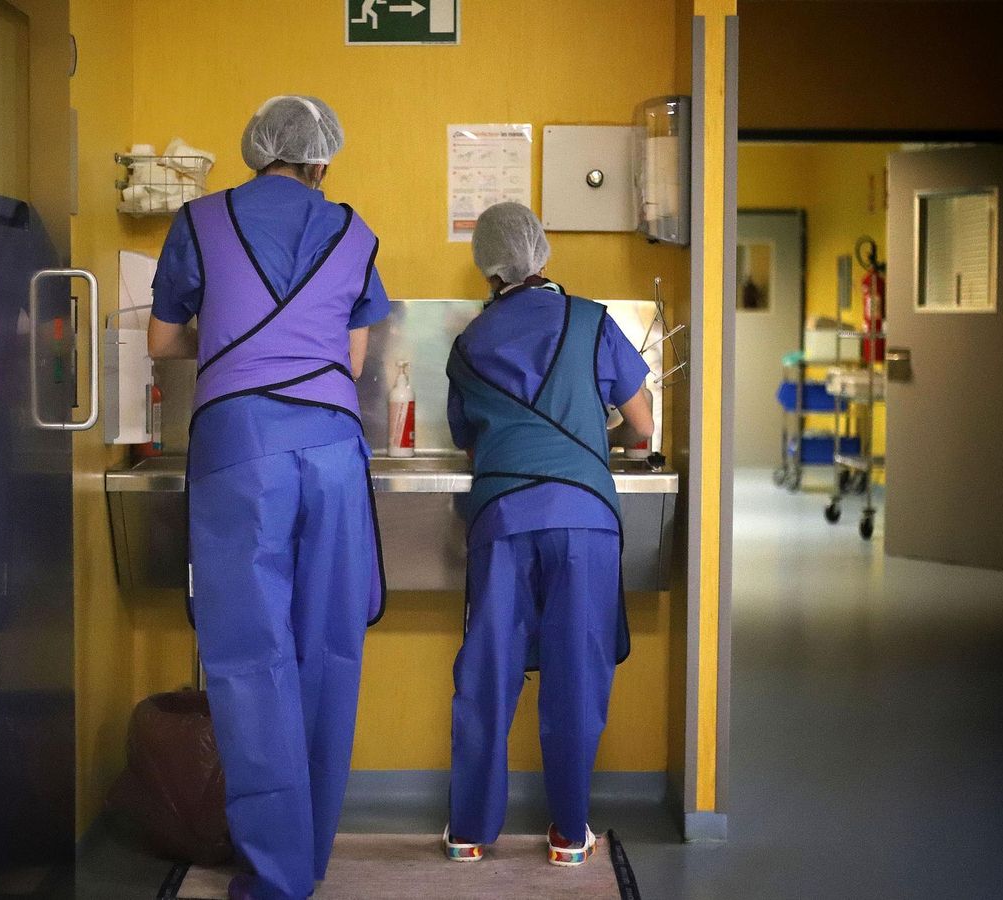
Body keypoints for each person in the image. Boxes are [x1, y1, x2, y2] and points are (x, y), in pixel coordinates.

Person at [147, 95, 389, 900]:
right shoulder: (354, 232)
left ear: (257, 149)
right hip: (333, 453)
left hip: (241, 447)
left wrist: (222, 339)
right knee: (330, 646)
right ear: (323, 159)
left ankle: (275, 874)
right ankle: (308, 854)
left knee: (252, 657)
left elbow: (161, 340)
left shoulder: (202, 220)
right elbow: (354, 361)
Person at [442, 202, 654, 867]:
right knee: (576, 674)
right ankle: (568, 835)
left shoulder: (469, 343)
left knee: (488, 671)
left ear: (487, 266)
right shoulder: (593, 321)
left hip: (503, 519)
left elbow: (471, 442)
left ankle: (469, 833)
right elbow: (642, 424)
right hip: (584, 518)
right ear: (543, 251)